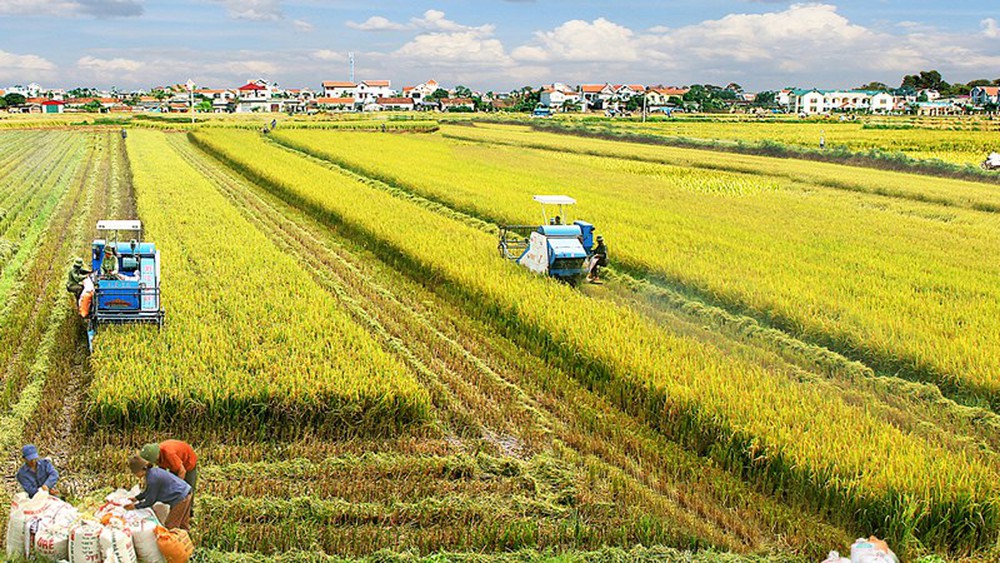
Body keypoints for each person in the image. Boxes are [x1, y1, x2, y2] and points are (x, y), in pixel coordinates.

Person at [127, 455, 192, 530]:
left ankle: (174, 541)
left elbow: (150, 501)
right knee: (183, 524)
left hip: (181, 497)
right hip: (186, 491)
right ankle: (186, 539)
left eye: (135, 473)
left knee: (171, 526)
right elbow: (148, 491)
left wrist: (135, 506)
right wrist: (137, 498)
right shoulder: (153, 472)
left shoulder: (152, 479)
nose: (136, 475)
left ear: (140, 470)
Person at [141, 441, 198, 512]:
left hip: (188, 462)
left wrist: (178, 487)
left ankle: (189, 512)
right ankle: (172, 507)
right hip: (175, 464)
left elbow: (182, 471)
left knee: (187, 489)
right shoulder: (158, 455)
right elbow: (161, 472)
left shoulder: (169, 454)